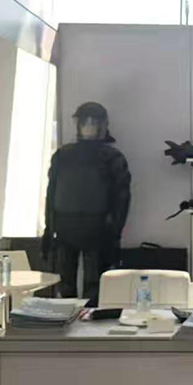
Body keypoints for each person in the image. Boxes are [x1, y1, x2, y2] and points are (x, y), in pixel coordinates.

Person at [43, 102, 131, 305]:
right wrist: (48, 230)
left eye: (94, 121)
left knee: (95, 288)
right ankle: (66, 319)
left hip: (97, 229)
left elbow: (122, 199)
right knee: (64, 287)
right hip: (65, 228)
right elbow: (51, 193)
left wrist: (114, 232)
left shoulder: (112, 158)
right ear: (78, 124)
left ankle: (88, 320)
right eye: (85, 121)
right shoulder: (63, 155)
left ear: (103, 125)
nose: (89, 126)